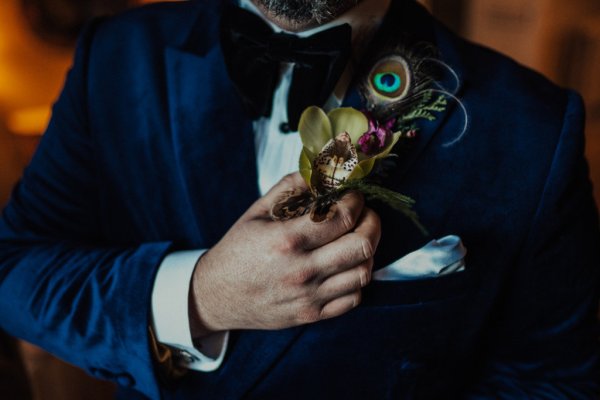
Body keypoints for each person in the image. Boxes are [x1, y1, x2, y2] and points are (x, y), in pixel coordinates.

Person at [0, 0, 598, 399]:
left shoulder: (536, 129)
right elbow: (14, 270)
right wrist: (200, 295)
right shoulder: (116, 57)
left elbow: (556, 383)